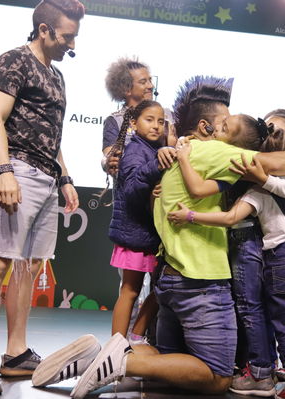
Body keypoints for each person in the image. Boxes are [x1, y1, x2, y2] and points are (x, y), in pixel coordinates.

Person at [32, 76, 285, 398]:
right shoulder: (213, 153)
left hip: (171, 277)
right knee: (217, 376)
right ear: (206, 126)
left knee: (172, 359)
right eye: (222, 122)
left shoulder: (181, 153)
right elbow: (272, 164)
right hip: (202, 281)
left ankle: (93, 358)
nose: (222, 131)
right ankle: (123, 364)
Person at [0, 0, 84, 395]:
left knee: (30, 266)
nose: (72, 44)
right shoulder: (13, 61)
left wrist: (65, 176)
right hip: (18, 171)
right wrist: (4, 171)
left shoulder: (58, 76)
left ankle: (15, 354)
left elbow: (53, 135)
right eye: (67, 36)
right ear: (44, 30)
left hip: (48, 177)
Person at [168, 126, 285, 399]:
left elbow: (228, 216)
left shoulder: (258, 190)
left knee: (278, 320)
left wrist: (191, 215)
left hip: (278, 255)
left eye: (226, 126)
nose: (217, 128)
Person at [106, 100, 170, 343]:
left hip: (148, 235)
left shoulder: (152, 148)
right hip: (134, 235)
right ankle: (115, 347)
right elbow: (132, 188)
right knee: (130, 291)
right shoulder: (135, 150)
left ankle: (135, 336)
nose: (156, 126)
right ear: (133, 123)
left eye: (161, 121)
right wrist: (155, 167)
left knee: (159, 289)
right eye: (149, 119)